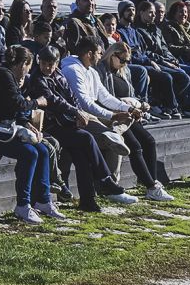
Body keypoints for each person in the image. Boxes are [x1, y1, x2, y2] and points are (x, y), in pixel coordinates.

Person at [26, 43, 130, 213]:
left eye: (51, 64)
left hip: (65, 123)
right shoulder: (37, 78)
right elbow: (53, 100)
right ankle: (105, 179)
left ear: (57, 62)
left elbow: (71, 96)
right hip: (50, 127)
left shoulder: (58, 74)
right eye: (44, 63)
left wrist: (79, 112)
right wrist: (76, 113)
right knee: (86, 138)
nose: (47, 67)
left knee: (82, 157)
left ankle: (88, 201)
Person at [0, 46, 57, 223]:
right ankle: (23, 205)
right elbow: (18, 104)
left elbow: (12, 109)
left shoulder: (10, 78)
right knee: (29, 152)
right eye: (28, 67)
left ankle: (43, 200)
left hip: (2, 127)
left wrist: (26, 123)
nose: (27, 72)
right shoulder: (3, 75)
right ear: (22, 64)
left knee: (42, 149)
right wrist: (37, 102)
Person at [93, 42, 175, 199]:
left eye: (127, 61)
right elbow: (104, 98)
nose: (124, 63)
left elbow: (131, 93)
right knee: (135, 147)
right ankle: (151, 186)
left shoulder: (124, 71)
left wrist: (139, 103)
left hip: (129, 115)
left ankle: (153, 181)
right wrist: (125, 104)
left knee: (149, 141)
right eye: (122, 60)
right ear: (112, 55)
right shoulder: (101, 71)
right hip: (115, 116)